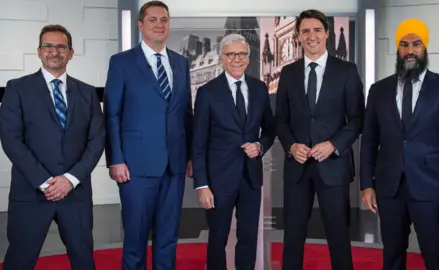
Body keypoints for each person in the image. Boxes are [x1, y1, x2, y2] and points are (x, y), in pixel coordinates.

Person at [360, 18, 439, 270]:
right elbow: (369, 141)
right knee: (392, 255)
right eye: (403, 44)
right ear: (397, 49)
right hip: (389, 188)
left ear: (425, 48)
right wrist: (367, 184)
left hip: (430, 188)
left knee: (434, 254)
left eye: (416, 44)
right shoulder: (378, 90)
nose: (410, 50)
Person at [0, 24, 105, 270]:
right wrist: (46, 182)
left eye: (61, 47)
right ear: (39, 51)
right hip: (31, 193)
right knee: (19, 260)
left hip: (75, 193)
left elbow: (97, 139)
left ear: (71, 53)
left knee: (83, 260)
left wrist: (70, 179)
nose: (54, 52)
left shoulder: (88, 93)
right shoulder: (17, 88)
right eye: (48, 46)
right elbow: (11, 140)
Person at [103, 1, 192, 269]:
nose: (159, 24)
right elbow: (112, 114)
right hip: (135, 166)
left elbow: (186, 113)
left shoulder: (181, 62)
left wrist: (189, 157)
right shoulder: (121, 62)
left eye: (164, 19)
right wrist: (115, 160)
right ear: (141, 25)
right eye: (152, 19)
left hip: (174, 165)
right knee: (136, 239)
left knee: (168, 238)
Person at [275, 9, 365, 270]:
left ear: (326, 33)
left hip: (333, 167)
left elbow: (357, 119)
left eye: (316, 30)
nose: (311, 36)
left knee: (338, 236)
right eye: (305, 31)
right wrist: (291, 145)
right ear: (298, 37)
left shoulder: (347, 71)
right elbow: (280, 120)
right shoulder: (288, 73)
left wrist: (334, 145)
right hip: (297, 168)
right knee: (292, 237)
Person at [192, 33, 276, 270]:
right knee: (217, 239)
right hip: (218, 181)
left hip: (250, 177)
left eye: (241, 54)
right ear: (222, 58)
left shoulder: (260, 89)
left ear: (248, 58)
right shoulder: (208, 92)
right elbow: (198, 143)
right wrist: (202, 185)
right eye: (230, 54)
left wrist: (260, 146)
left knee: (248, 237)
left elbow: (270, 129)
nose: (236, 59)